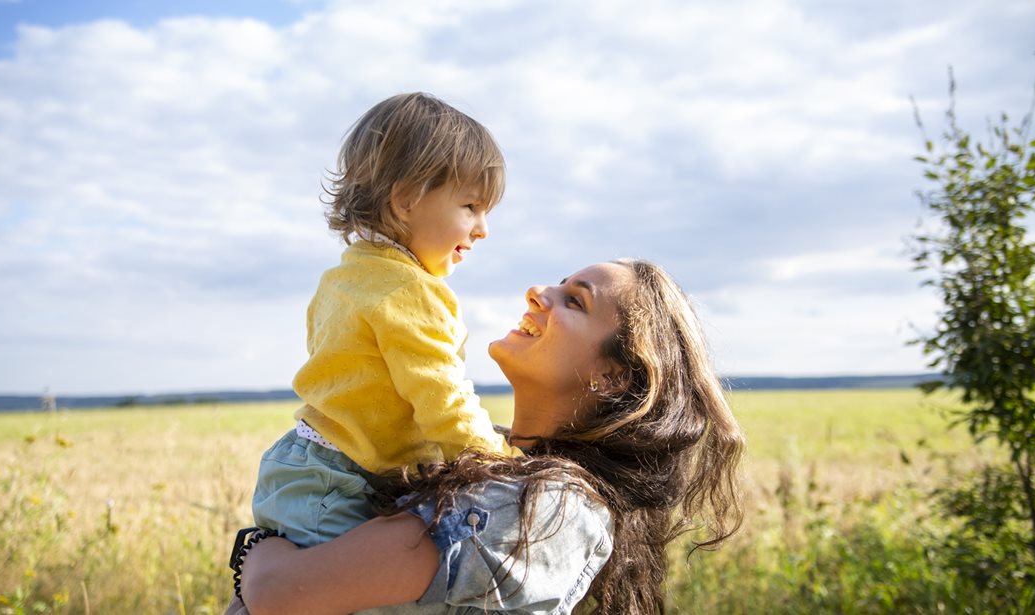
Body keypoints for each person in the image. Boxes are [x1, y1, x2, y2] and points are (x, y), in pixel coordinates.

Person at [228, 259, 745, 615]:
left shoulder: (549, 505)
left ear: (612, 377)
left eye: (575, 301)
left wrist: (259, 544)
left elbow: (279, 594)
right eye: (559, 284)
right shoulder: (489, 460)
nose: (538, 292)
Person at [251, 92, 522, 554]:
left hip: (304, 466)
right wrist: (506, 465)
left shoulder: (345, 275)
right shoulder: (411, 290)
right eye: (470, 207)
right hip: (340, 484)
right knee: (346, 588)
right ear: (406, 200)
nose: (483, 229)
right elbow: (444, 401)